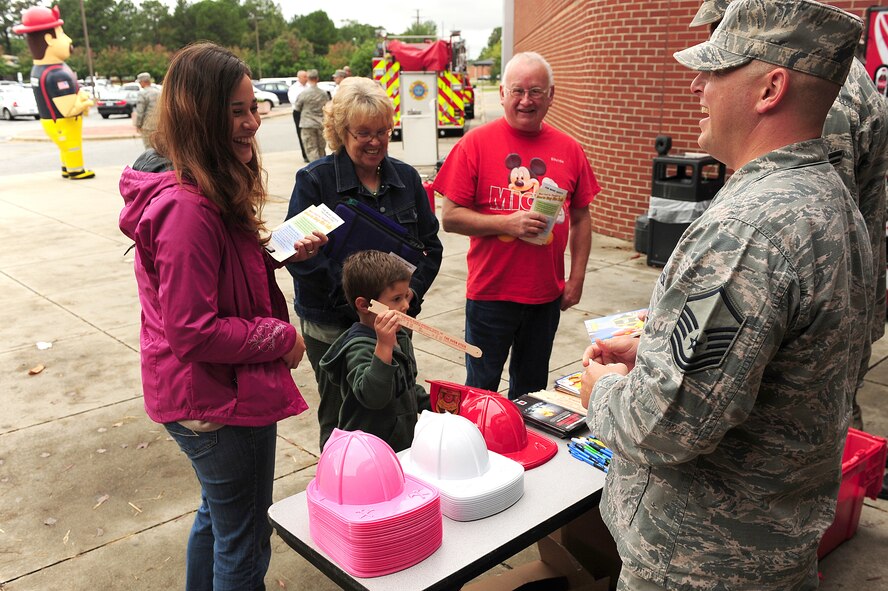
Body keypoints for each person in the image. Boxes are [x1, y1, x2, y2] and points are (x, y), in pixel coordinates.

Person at [579, 1, 872, 589]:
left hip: (699, 564)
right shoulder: (833, 201)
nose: (697, 86)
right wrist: (658, 350)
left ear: (770, 88)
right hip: (775, 550)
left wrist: (602, 392)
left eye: (716, 70)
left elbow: (661, 425)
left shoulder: (747, 230)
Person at [118, 42, 326, 590]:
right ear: (199, 114)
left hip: (205, 391)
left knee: (218, 517)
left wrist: (277, 252)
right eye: (237, 110)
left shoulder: (202, 186)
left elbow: (219, 274)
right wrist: (279, 336)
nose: (253, 122)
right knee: (244, 541)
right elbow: (193, 330)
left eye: (253, 107)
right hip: (216, 399)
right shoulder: (187, 207)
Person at [690, 0, 888, 435]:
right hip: (839, 303)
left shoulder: (820, 93)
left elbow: (791, 235)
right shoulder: (830, 75)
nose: (702, 82)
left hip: (811, 319)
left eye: (721, 51)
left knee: (797, 425)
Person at [285, 76, 442, 450]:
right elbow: (298, 257)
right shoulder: (314, 180)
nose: (375, 142)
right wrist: (357, 306)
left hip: (391, 321)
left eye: (383, 131)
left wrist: (408, 298)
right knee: (344, 417)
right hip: (332, 327)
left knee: (396, 406)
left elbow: (430, 247)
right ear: (341, 132)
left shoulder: (405, 178)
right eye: (364, 133)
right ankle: (341, 485)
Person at [433, 51, 600, 400]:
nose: (527, 101)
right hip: (490, 295)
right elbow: (449, 217)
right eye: (518, 91)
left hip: (544, 297)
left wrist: (576, 279)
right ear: (502, 93)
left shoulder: (570, 149)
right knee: (482, 390)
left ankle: (523, 451)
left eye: (536, 91)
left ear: (551, 95)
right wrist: (506, 222)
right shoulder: (474, 144)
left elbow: (582, 217)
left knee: (532, 392)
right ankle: (482, 450)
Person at [318, 250, 431, 451]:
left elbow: (406, 386)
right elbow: (373, 397)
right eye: (396, 299)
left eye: (406, 296)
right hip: (369, 453)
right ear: (364, 305)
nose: (405, 305)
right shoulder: (358, 348)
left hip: (401, 447)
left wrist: (436, 404)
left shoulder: (401, 336)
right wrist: (385, 346)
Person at [13, 5, 95, 180]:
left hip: (50, 121)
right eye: (62, 34)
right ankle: (75, 170)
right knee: (72, 145)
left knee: (65, 146)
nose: (68, 39)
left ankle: (67, 167)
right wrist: (85, 102)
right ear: (49, 39)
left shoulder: (38, 69)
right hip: (63, 121)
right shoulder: (56, 74)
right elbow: (68, 109)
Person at [293, 69, 329, 162]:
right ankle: (322, 168)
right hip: (321, 123)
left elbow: (297, 108)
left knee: (311, 148)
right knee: (321, 148)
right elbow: (328, 107)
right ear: (317, 78)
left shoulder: (304, 93)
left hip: (307, 124)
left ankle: (315, 170)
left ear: (308, 79)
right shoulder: (323, 93)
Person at [287, 70, 310, 163]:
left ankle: (312, 153)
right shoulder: (294, 88)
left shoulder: (309, 86)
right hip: (299, 112)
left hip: (309, 112)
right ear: (299, 77)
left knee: (310, 133)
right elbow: (293, 100)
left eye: (307, 76)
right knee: (301, 133)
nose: (306, 78)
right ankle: (305, 155)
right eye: (304, 76)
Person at [134, 71, 160, 149]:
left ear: (143, 82)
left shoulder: (142, 93)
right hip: (160, 125)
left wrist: (138, 124)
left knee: (149, 150)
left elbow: (140, 112)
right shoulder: (159, 92)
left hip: (148, 126)